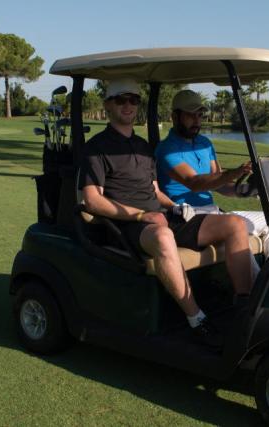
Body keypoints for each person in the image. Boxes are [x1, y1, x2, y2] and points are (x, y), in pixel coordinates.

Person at [79, 79, 254, 349]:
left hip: (161, 216)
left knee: (233, 224)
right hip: (127, 224)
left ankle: (244, 309)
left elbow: (154, 190)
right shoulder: (96, 148)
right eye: (121, 100)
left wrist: (173, 206)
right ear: (107, 105)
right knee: (162, 236)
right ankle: (197, 319)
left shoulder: (143, 147)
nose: (128, 105)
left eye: (133, 100)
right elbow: (91, 200)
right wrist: (140, 216)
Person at [155, 89, 269, 251]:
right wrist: (234, 173)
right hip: (187, 216)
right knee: (235, 234)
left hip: (211, 212)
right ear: (175, 116)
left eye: (200, 115)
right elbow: (194, 183)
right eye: (191, 115)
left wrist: (246, 189)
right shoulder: (167, 150)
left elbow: (219, 184)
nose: (197, 121)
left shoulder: (205, 143)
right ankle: (254, 276)